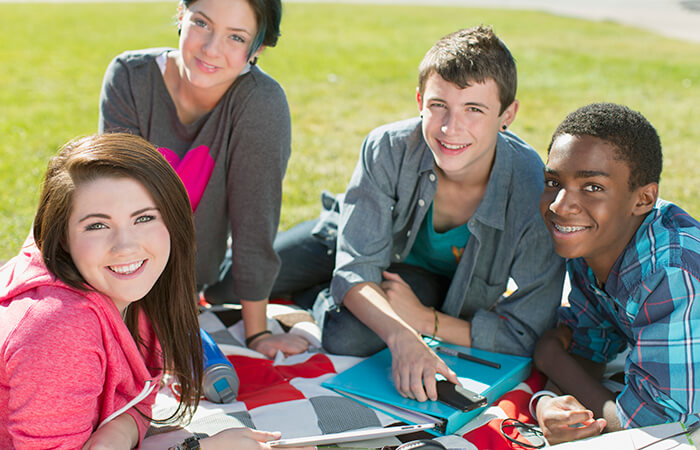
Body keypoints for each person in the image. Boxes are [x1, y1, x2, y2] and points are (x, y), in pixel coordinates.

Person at [274, 25, 566, 402]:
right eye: (438, 105)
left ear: (507, 114)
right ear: (418, 101)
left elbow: (527, 331)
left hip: (423, 283)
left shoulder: (531, 187)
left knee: (347, 334)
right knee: (231, 281)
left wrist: (425, 321)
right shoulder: (387, 146)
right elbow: (357, 264)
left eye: (474, 109)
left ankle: (320, 297)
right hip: (348, 237)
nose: (450, 127)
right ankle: (328, 288)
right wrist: (402, 334)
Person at [0, 134, 311, 450]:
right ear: (62, 237)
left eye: (144, 218)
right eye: (97, 225)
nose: (126, 246)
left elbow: (139, 394)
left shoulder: (141, 288)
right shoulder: (57, 329)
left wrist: (118, 433)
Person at [98, 0, 309, 358]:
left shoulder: (261, 104)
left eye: (236, 38)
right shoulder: (130, 77)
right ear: (181, 14)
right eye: (202, 23)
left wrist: (257, 333)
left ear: (258, 48)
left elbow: (255, 220)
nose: (212, 49)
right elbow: (112, 200)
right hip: (112, 268)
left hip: (182, 283)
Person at [532, 103, 700, 445]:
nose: (560, 205)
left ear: (643, 199)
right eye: (553, 181)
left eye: (592, 187)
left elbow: (661, 427)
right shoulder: (591, 241)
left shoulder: (669, 271)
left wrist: (550, 358)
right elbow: (591, 346)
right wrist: (549, 403)